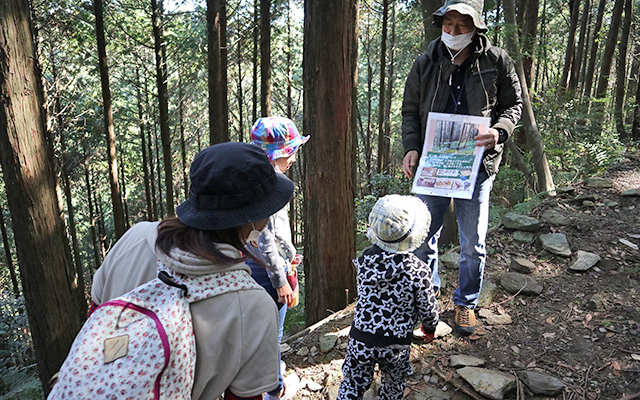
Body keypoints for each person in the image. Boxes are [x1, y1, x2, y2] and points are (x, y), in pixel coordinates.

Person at [89, 142, 295, 400]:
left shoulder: (135, 238)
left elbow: (96, 321)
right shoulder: (253, 304)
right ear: (253, 216)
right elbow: (244, 398)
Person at [401, 0, 523, 336]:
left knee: (474, 242)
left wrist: (498, 132)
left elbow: (514, 106)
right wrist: (411, 148)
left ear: (475, 28)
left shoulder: (497, 61)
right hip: (433, 162)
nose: (453, 32)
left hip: (478, 164)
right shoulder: (426, 63)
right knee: (423, 238)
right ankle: (425, 301)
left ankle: (466, 303)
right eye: (448, 24)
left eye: (462, 26)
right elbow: (410, 110)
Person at [337, 195, 439, 400]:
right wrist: (429, 328)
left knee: (352, 384)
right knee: (393, 385)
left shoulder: (365, 261)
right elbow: (428, 307)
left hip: (361, 339)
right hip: (396, 344)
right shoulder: (418, 270)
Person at [246, 116, 310, 400]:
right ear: (279, 154)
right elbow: (265, 238)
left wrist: (291, 255)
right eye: (291, 151)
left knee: (259, 330)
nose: (294, 157)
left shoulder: (254, 180)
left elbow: (273, 234)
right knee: (272, 334)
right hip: (267, 271)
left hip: (254, 266)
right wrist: (281, 279)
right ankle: (274, 388)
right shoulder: (270, 185)